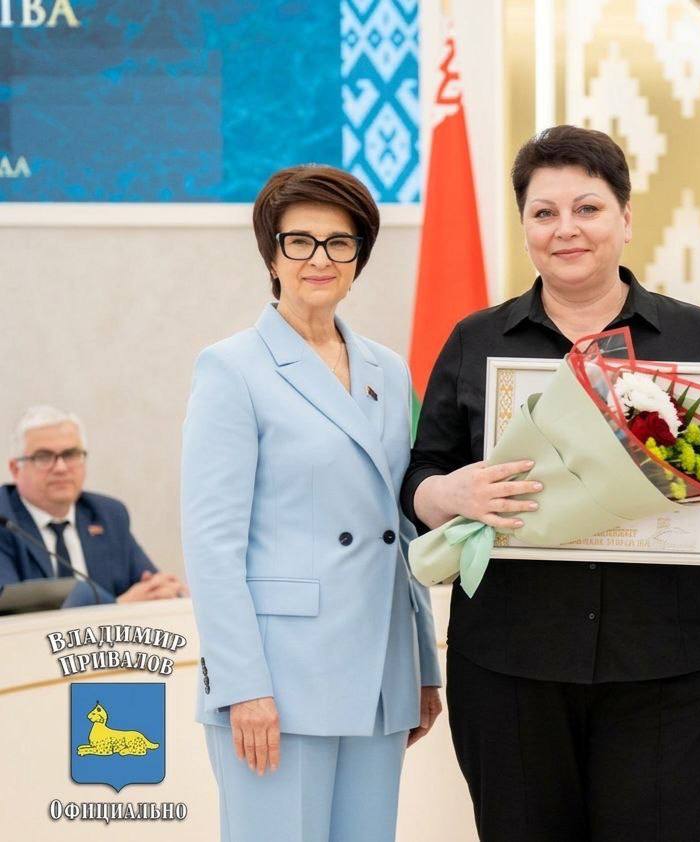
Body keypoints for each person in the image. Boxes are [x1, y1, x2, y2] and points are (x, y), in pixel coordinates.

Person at [402, 124, 700, 842]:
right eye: (544, 212)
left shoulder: (695, 336)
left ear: (625, 219)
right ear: (524, 227)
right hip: (510, 665)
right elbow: (419, 478)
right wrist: (450, 494)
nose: (566, 229)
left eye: (588, 208)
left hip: (667, 670)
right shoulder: (477, 340)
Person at [181, 164, 441, 841]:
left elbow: (399, 526)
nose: (319, 259)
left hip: (381, 672)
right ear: (271, 254)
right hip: (278, 679)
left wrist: (422, 665)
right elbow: (212, 545)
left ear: (359, 256)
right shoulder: (231, 367)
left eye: (339, 242)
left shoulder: (388, 368)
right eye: (299, 241)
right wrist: (242, 684)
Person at [1, 405, 186, 604]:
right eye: (43, 457)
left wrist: (165, 589)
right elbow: (9, 607)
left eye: (70, 454)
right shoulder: (4, 520)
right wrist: (117, 608)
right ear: (15, 469)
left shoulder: (107, 515)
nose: (61, 468)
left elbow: (151, 586)